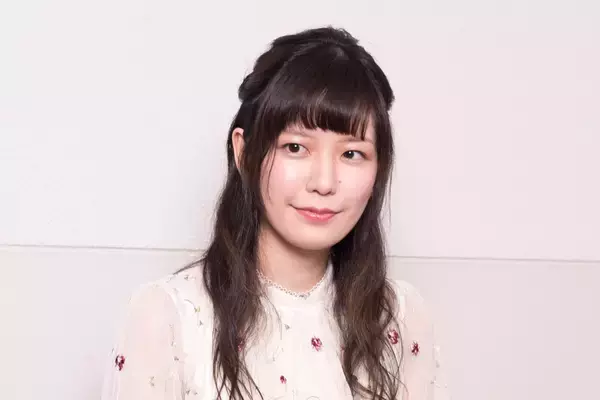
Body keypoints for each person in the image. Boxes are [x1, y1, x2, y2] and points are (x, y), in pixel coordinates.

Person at [101, 26, 450, 400]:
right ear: (244, 153)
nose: (324, 182)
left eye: (352, 154)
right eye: (295, 147)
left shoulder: (401, 318)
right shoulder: (167, 318)